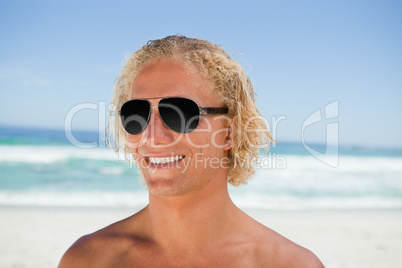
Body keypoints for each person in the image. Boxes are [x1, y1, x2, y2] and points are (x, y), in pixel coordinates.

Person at [59, 35, 324, 267]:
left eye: (181, 114)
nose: (153, 136)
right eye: (136, 115)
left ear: (229, 132)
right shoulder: (87, 260)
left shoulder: (290, 264)